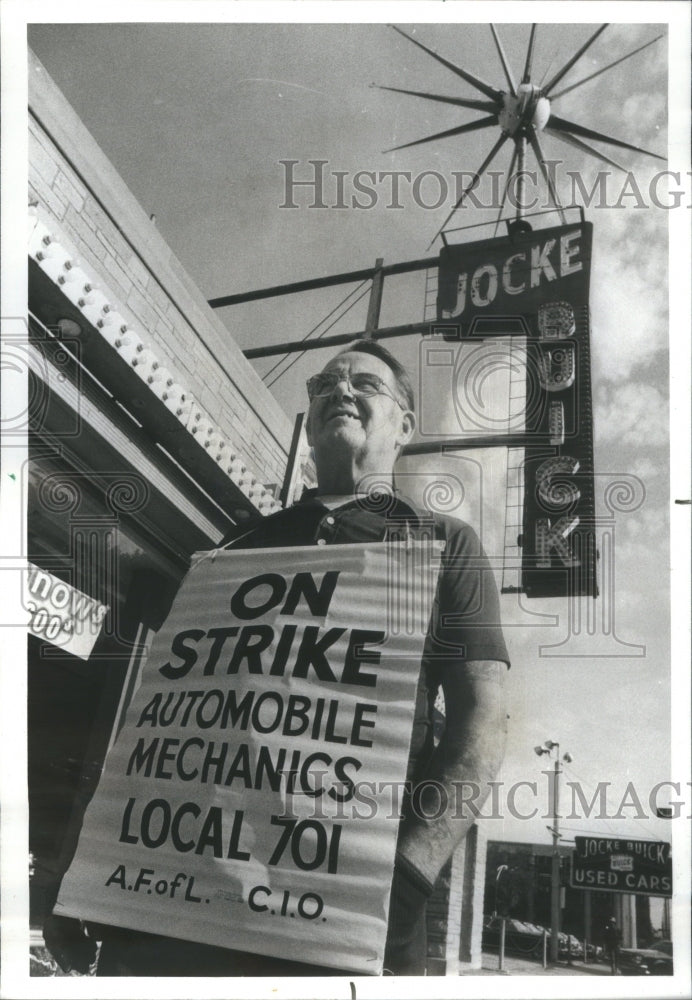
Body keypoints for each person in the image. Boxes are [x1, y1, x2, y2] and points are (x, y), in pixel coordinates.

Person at [44, 339, 509, 976]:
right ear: (310, 419)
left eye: (364, 384)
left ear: (404, 426)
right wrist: (86, 864)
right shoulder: (232, 549)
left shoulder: (442, 544)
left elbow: (482, 723)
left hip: (342, 923)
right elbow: (157, 720)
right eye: (324, 385)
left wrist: (406, 878)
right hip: (176, 912)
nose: (339, 392)